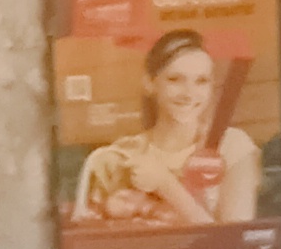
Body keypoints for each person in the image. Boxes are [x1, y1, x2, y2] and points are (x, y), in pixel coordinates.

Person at [73, 30, 264, 229]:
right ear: (149, 83)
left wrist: (164, 184)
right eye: (175, 79)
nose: (189, 93)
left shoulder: (233, 146)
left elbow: (234, 240)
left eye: (201, 81)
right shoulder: (119, 157)